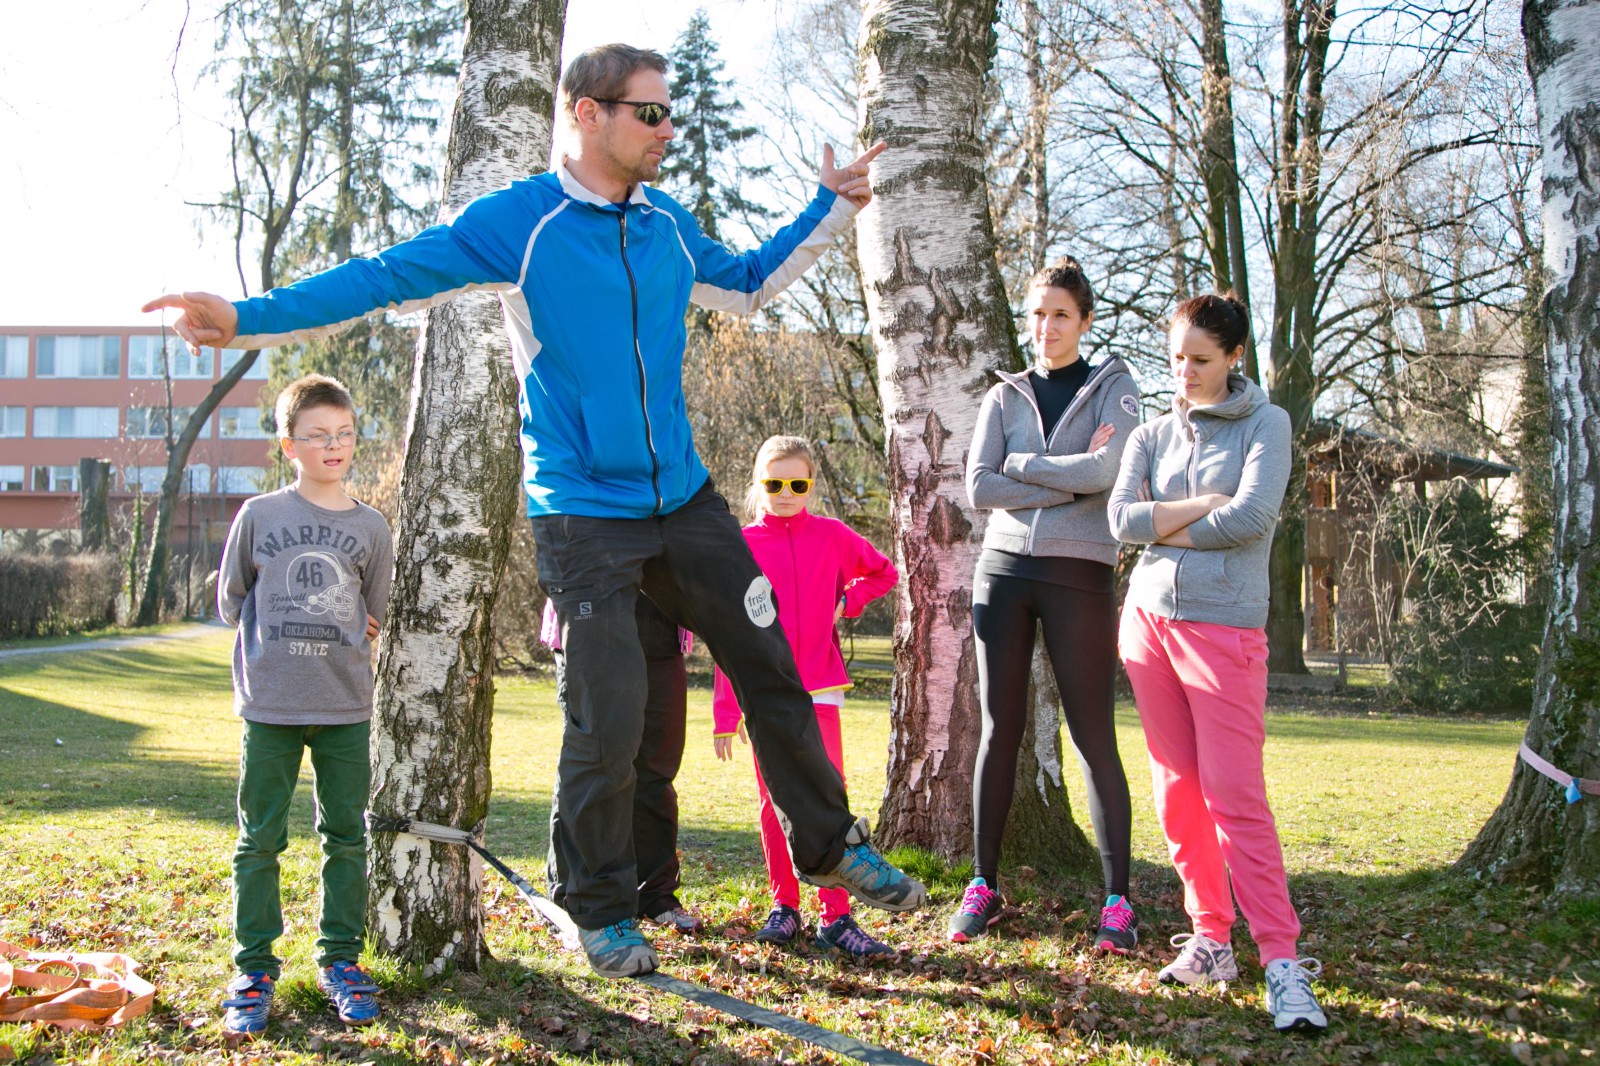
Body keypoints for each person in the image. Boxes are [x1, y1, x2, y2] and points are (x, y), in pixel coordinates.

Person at [147, 43, 925, 980]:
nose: (667, 129)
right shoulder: (523, 223)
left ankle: (830, 842)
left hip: (682, 498)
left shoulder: (666, 223)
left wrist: (832, 204)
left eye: (669, 112)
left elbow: (753, 280)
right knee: (610, 710)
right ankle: (600, 909)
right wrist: (248, 315)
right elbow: (382, 276)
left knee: (769, 657)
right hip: (583, 512)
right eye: (649, 113)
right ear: (585, 114)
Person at [1107, 293, 1326, 1033]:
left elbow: (1253, 517)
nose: (1186, 373)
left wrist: (1164, 524)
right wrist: (1200, 505)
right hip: (1145, 626)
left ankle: (1283, 960)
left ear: (1234, 357)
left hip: (1223, 631)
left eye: (1201, 360)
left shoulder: (1269, 423)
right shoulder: (1149, 433)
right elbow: (1119, 520)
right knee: (1177, 796)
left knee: (1236, 797)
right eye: (1176, 358)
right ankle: (1211, 938)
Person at [949, 258, 1143, 952]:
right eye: (1037, 313)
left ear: (1085, 321)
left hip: (1079, 573)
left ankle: (1118, 902)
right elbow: (979, 487)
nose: (1046, 326)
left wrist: (1023, 467)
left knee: (1095, 737)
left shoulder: (1115, 387)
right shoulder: (1005, 395)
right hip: (1003, 571)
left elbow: (1107, 472)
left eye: (1060, 313)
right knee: (1002, 728)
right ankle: (982, 886)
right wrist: (1060, 479)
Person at [215, 374, 395, 1036]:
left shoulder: (373, 527)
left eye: (344, 434)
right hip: (270, 706)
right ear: (289, 443)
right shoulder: (260, 515)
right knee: (260, 839)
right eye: (318, 436)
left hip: (345, 707)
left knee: (346, 839)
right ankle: (254, 967)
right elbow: (232, 600)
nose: (333, 446)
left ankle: (341, 961)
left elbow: (375, 611)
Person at [711, 436, 900, 960]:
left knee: (827, 800)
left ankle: (837, 918)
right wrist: (726, 711)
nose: (786, 492)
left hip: (820, 689)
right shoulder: (740, 545)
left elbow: (884, 571)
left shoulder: (834, 535)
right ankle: (785, 907)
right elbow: (728, 632)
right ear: (758, 484)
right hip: (764, 693)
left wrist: (849, 599)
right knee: (774, 803)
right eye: (774, 483)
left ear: (810, 484)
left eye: (797, 483)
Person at [539, 595, 704, 934]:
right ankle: (570, 900)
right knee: (590, 765)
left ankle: (656, 895)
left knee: (657, 771)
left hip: (661, 631)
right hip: (588, 628)